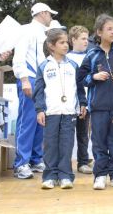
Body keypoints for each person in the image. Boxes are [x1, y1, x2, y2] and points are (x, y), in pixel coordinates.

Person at [77, 14, 113, 190]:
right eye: (109, 29)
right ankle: (99, 175)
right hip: (98, 107)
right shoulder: (91, 54)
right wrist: (94, 77)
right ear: (99, 32)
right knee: (99, 142)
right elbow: (80, 79)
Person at [33, 28, 86, 189]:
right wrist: (40, 109)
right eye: (61, 42)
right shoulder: (44, 66)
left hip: (69, 111)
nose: (66, 45)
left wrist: (83, 103)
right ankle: (50, 176)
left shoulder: (73, 65)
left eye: (66, 42)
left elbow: (79, 88)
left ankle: (65, 176)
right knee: (50, 145)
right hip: (51, 112)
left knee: (67, 144)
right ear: (51, 45)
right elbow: (39, 90)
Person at [12, 2, 55, 179]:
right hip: (29, 78)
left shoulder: (44, 33)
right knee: (27, 121)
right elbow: (19, 56)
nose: (51, 17)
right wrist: (23, 79)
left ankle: (36, 159)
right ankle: (21, 163)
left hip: (41, 80)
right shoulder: (26, 30)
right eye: (50, 14)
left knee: (40, 120)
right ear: (43, 13)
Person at [66, 25, 93, 174]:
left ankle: (83, 162)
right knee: (68, 135)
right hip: (70, 103)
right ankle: (65, 163)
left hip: (87, 102)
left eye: (87, 39)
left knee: (83, 134)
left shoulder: (91, 56)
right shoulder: (66, 58)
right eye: (83, 38)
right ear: (73, 40)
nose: (86, 42)